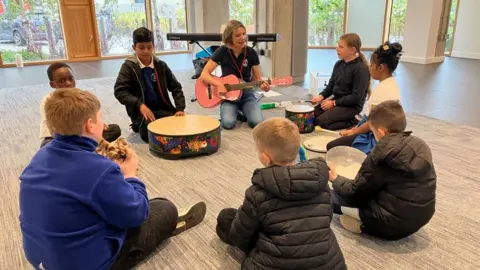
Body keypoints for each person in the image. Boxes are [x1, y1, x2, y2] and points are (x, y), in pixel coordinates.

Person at [20, 88, 206, 270]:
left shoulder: (38, 158)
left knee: (105, 204)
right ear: (90, 125)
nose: (104, 123)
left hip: (41, 260)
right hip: (87, 264)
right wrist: (130, 174)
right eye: (100, 118)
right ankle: (167, 223)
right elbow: (136, 215)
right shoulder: (99, 169)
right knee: (164, 208)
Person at [216, 117, 347, 269]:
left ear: (266, 158)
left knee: (226, 218)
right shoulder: (321, 182)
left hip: (275, 263)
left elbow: (240, 238)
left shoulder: (257, 193)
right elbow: (324, 219)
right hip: (328, 264)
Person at [329, 101, 437, 240]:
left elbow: (355, 192)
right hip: (422, 217)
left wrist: (335, 179)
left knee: (327, 197)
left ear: (381, 132)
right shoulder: (419, 145)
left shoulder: (380, 155)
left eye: (373, 132)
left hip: (389, 224)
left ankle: (363, 224)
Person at [326, 41, 403, 154]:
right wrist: (354, 129)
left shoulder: (384, 91)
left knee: (332, 147)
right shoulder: (390, 84)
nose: (370, 68)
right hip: (373, 129)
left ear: (381, 67)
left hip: (375, 137)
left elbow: (371, 123)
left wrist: (354, 132)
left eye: (372, 65)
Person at [114, 27, 186, 143]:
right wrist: (139, 105)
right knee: (149, 136)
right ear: (134, 47)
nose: (146, 51)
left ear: (153, 46)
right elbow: (119, 91)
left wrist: (180, 108)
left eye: (149, 47)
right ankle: (138, 124)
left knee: (179, 127)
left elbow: (176, 87)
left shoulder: (161, 65)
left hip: (163, 109)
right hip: (142, 113)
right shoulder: (128, 67)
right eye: (141, 48)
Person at [199, 20, 270, 130]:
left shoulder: (251, 53)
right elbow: (204, 74)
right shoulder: (222, 51)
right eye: (237, 35)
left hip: (246, 93)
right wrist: (218, 84)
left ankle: (242, 109)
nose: (242, 38)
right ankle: (236, 111)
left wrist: (264, 87)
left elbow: (258, 79)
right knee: (228, 124)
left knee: (257, 122)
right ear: (229, 38)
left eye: (243, 34)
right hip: (228, 95)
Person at [39, 62, 121, 147]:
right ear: (52, 84)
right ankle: (85, 147)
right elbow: (55, 131)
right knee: (46, 145)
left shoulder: (79, 96)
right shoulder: (48, 101)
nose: (68, 83)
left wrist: (98, 124)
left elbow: (91, 117)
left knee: (114, 129)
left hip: (81, 133)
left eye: (70, 79)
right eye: (62, 80)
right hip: (59, 137)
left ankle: (80, 148)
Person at [311, 33, 371, 130]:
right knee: (311, 116)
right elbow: (331, 86)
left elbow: (356, 97)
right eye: (338, 46)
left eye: (341, 47)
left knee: (320, 122)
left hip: (352, 107)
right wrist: (321, 96)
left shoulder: (361, 69)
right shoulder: (339, 64)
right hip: (337, 101)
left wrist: (333, 103)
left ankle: (353, 121)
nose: (337, 49)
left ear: (352, 50)